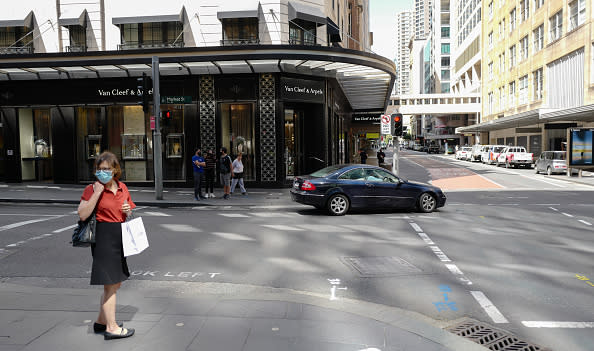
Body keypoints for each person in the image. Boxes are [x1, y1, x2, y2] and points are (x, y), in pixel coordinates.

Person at [77, 151, 135, 340]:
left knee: (115, 282)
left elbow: (127, 211)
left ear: (115, 170)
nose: (102, 172)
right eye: (99, 169)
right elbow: (83, 214)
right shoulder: (91, 189)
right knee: (110, 284)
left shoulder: (122, 188)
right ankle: (112, 327)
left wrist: (127, 211)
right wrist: (97, 193)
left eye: (107, 169)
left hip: (119, 237)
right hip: (103, 237)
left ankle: (101, 322)